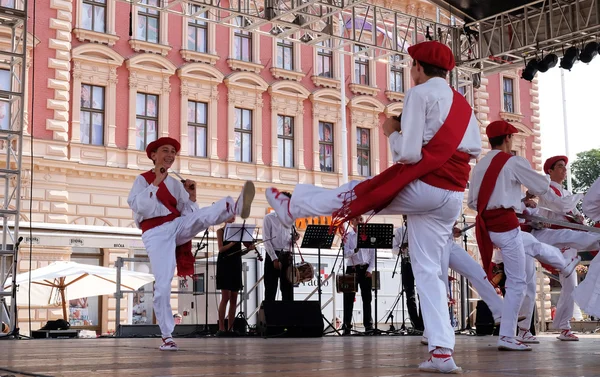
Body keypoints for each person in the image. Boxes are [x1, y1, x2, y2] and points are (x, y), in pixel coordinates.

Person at [267, 40, 481, 373]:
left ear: (419, 69)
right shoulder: (464, 106)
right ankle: (442, 352)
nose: (411, 73)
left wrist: (393, 132)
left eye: (412, 67)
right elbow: (473, 148)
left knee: (358, 193)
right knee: (428, 271)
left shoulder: (418, 94)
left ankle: (292, 207)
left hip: (426, 185)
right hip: (452, 195)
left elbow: (407, 154)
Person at [128, 136, 255, 351]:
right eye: (165, 150)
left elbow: (189, 214)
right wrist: (156, 181)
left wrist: (192, 196)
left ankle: (232, 207)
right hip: (155, 232)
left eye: (173, 152)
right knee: (163, 283)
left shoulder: (176, 185)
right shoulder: (142, 180)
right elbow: (141, 207)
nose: (170, 155)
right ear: (153, 155)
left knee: (201, 215)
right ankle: (167, 335)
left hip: (176, 226)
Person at [468, 120, 551, 351]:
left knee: (507, 279)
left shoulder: (480, 165)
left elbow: (474, 202)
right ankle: (507, 335)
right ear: (507, 139)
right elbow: (542, 186)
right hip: (506, 225)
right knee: (517, 282)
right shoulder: (513, 162)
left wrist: (511, 198)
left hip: (486, 227)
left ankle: (508, 328)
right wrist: (528, 193)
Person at [531, 155, 600, 341]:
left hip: (567, 242)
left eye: (565, 167)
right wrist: (585, 195)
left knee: (570, 284)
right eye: (560, 166)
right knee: (527, 282)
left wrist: (579, 218)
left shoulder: (566, 193)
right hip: (551, 238)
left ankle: (564, 327)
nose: (564, 170)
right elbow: (561, 206)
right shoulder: (545, 189)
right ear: (550, 171)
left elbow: (577, 215)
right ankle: (522, 329)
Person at [216, 218, 255, 336]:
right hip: (224, 264)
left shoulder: (238, 231)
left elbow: (240, 250)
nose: (232, 218)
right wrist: (232, 243)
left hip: (235, 264)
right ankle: (221, 328)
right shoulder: (220, 231)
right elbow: (221, 249)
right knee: (225, 297)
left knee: (234, 298)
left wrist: (249, 248)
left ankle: (231, 328)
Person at [342, 216, 375, 335]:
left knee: (367, 298)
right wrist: (355, 250)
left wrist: (370, 269)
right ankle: (347, 325)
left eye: (361, 219)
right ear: (352, 222)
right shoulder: (348, 236)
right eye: (357, 219)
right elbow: (345, 253)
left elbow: (373, 254)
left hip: (365, 268)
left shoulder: (369, 235)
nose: (360, 221)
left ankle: (368, 325)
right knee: (349, 298)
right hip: (352, 268)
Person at [263, 192, 298, 301]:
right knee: (271, 289)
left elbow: (288, 240)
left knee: (288, 290)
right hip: (273, 255)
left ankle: (287, 317)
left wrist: (294, 239)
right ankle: (271, 317)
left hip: (287, 255)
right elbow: (266, 240)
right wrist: (274, 258)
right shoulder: (269, 218)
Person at [392, 217, 424, 332]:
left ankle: (423, 322)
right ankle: (416, 324)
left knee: (422, 293)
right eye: (406, 217)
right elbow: (394, 249)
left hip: (420, 263)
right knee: (409, 294)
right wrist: (402, 247)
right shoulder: (400, 231)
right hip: (406, 262)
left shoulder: (420, 229)